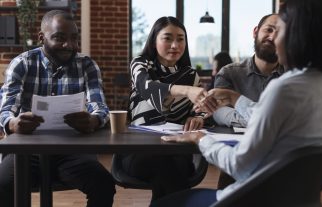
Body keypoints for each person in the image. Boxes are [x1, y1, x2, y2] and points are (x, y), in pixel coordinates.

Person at [151, 0, 322, 206]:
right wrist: (233, 97)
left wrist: (201, 139)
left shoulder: (285, 89)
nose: (274, 39)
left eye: (280, 30)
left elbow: (239, 166)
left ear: (298, 35)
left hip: (253, 200)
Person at [0, 10, 116, 207]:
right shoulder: (21, 64)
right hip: (27, 150)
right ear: (41, 38)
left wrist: (94, 120)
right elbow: (6, 108)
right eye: (59, 38)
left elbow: (99, 106)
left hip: (73, 150)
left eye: (73, 39)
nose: (68, 45)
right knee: (3, 185)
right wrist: (13, 123)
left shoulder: (87, 65)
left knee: (103, 184)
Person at [114, 16, 215, 201]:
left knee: (169, 167)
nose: (175, 45)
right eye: (167, 38)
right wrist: (186, 90)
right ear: (154, 41)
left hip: (177, 150)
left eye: (180, 39)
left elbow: (202, 109)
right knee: (167, 168)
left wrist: (199, 117)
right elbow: (148, 88)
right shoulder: (141, 64)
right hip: (139, 151)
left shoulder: (191, 75)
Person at [213, 14, 285, 128]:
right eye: (269, 30)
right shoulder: (228, 73)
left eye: (281, 34)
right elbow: (217, 112)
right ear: (255, 32)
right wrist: (262, 121)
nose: (272, 37)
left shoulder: (293, 77)